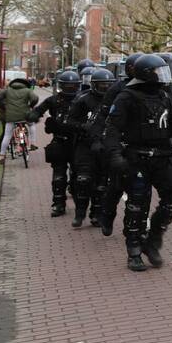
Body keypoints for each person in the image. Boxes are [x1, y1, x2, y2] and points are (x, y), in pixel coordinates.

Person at [104, 54, 172, 271]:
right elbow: (112, 129)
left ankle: (152, 241)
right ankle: (133, 250)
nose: (163, 76)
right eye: (158, 72)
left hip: (163, 156)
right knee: (137, 206)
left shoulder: (164, 96)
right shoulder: (126, 97)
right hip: (138, 157)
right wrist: (115, 154)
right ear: (146, 75)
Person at [95, 52, 143, 236]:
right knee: (116, 185)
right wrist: (102, 141)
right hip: (122, 144)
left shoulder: (153, 89)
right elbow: (105, 117)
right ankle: (107, 215)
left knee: (139, 191)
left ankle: (133, 228)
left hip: (143, 145)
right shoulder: (118, 89)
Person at [28, 70, 81, 217]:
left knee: (80, 176)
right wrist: (32, 116)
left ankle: (80, 204)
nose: (70, 89)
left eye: (73, 86)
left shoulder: (82, 99)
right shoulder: (53, 100)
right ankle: (58, 203)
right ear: (62, 86)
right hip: (60, 140)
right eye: (67, 86)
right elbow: (39, 110)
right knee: (58, 176)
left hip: (79, 142)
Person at [67, 68, 115, 227]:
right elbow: (70, 121)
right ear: (94, 85)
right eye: (102, 85)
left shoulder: (117, 100)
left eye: (108, 85)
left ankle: (97, 214)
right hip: (85, 145)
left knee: (103, 183)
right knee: (83, 180)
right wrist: (83, 126)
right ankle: (80, 214)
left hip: (105, 145)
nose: (105, 88)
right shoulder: (83, 100)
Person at [0, 76, 39, 162]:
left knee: (7, 135)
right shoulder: (27, 91)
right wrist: (30, 106)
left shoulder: (8, 90)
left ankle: (2, 155)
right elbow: (35, 98)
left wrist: (3, 106)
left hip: (11, 116)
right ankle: (33, 143)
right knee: (32, 124)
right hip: (25, 115)